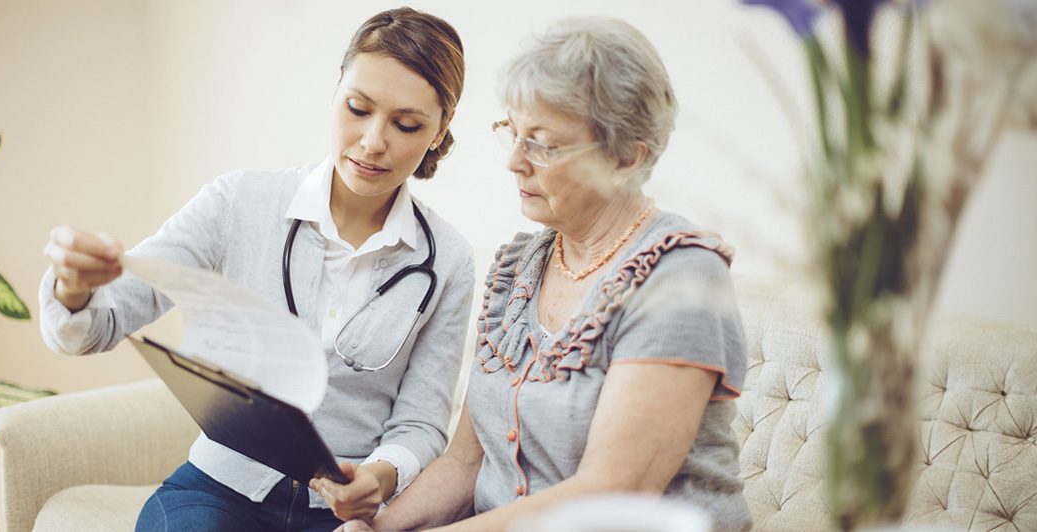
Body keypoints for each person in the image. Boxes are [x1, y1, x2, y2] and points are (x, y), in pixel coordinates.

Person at [39, 8, 475, 532]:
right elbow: (96, 329)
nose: (373, 140)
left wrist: (379, 478)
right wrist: (73, 288)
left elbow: (423, 423)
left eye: (407, 124)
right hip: (218, 492)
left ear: (439, 131)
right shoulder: (238, 202)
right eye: (358, 108)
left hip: (340, 517)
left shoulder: (447, 260)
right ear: (336, 91)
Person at [323, 16, 752, 532]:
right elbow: (466, 464)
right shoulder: (520, 269)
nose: (515, 163)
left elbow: (614, 494)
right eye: (514, 134)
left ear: (625, 157)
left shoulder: (681, 279)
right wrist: (376, 529)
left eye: (543, 144)